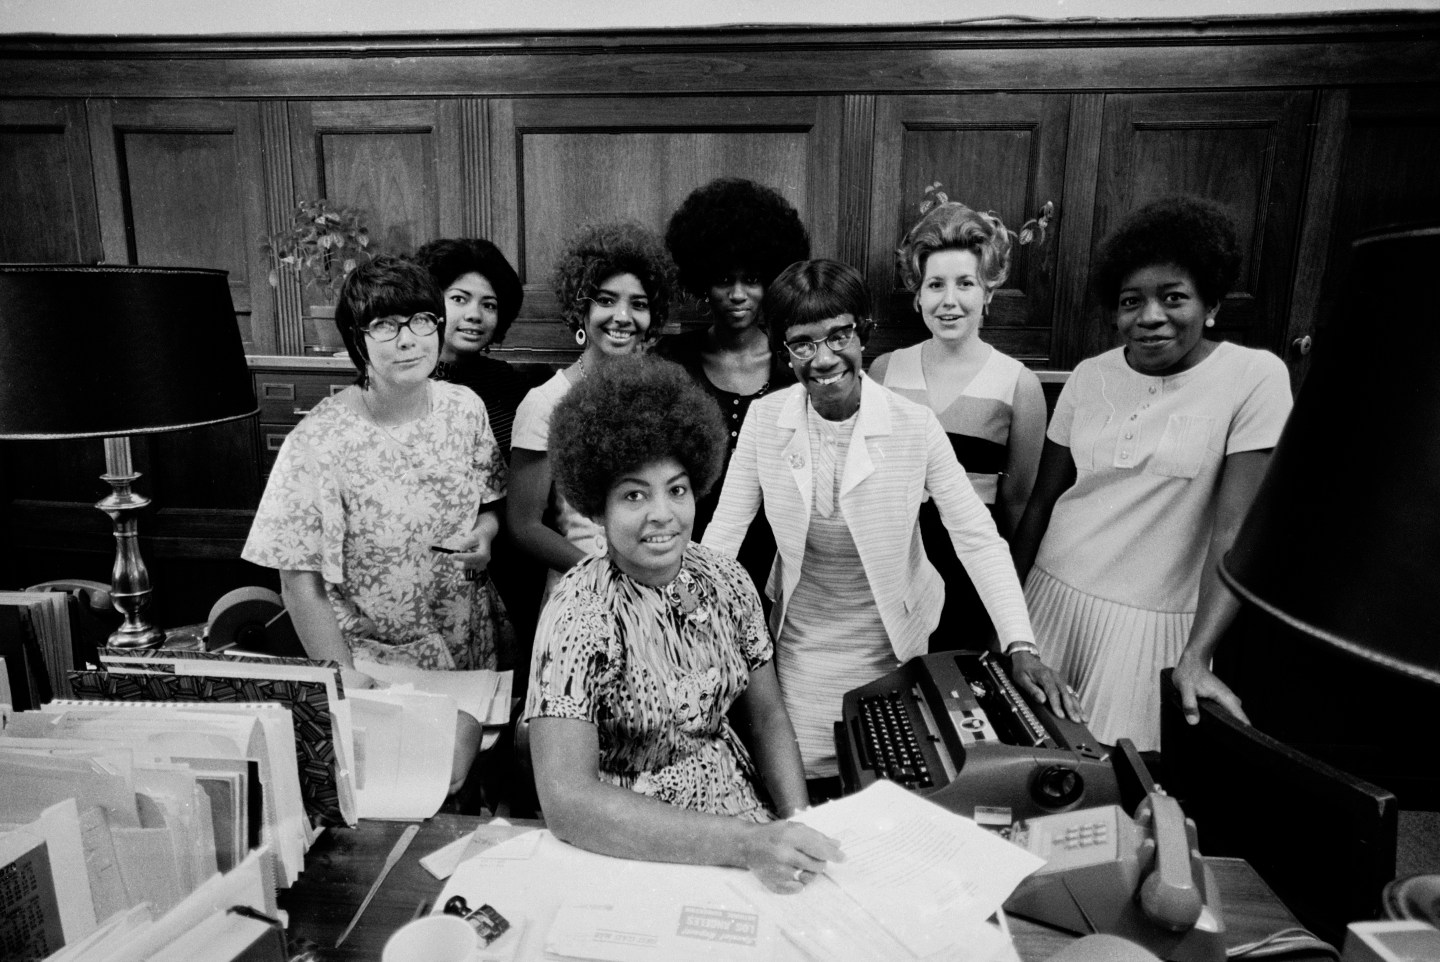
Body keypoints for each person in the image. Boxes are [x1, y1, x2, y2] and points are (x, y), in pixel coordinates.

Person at [702, 259, 1037, 798]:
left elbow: (976, 536)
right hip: (801, 643)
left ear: (864, 332)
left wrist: (1020, 642)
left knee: (884, 782)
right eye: (803, 343)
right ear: (785, 352)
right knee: (806, 785)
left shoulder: (913, 424)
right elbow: (724, 533)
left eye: (839, 335)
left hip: (891, 645)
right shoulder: (766, 421)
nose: (823, 358)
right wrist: (685, 625)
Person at [526, 356, 842, 892]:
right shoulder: (578, 615)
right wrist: (745, 844)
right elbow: (568, 801)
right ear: (597, 507)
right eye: (634, 494)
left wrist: (796, 822)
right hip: (632, 841)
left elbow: (766, 716)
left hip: (745, 817)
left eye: (676, 490)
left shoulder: (727, 579)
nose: (662, 514)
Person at [1008, 196, 1293, 753]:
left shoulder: (1254, 377)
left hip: (1152, 625)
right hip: (1049, 598)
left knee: (1122, 774)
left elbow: (1235, 532)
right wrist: (1009, 622)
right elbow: (1042, 503)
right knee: (1028, 764)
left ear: (1211, 303)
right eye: (1131, 301)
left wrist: (1196, 655)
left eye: (1173, 297)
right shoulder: (1089, 376)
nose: (1150, 316)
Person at [242, 255, 509, 793]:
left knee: (468, 788)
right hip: (377, 663)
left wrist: (485, 535)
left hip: (469, 645)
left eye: (421, 321)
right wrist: (345, 679)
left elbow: (490, 503)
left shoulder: (465, 408)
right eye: (385, 325)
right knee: (410, 793)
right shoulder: (318, 442)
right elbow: (298, 582)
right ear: (357, 341)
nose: (408, 340)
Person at [870, 202, 1046, 650]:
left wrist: (1005, 612)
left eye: (965, 283)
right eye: (935, 285)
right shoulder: (886, 371)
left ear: (988, 291)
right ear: (918, 295)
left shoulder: (1019, 385)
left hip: (968, 579)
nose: (949, 301)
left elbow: (1016, 505)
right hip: (892, 572)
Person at [507, 222, 678, 600]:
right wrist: (608, 574)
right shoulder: (545, 402)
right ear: (581, 309)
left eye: (639, 304)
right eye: (606, 300)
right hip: (583, 591)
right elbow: (524, 527)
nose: (623, 316)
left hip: (655, 586)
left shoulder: (661, 395)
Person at [660, 178, 809, 600]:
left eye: (753, 279)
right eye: (725, 279)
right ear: (703, 282)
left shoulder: (794, 368)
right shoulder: (672, 362)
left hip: (777, 561)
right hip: (685, 553)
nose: (738, 294)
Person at [414, 237, 535, 458]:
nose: (475, 315)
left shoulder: (507, 381)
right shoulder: (404, 382)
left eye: (488, 305)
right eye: (459, 299)